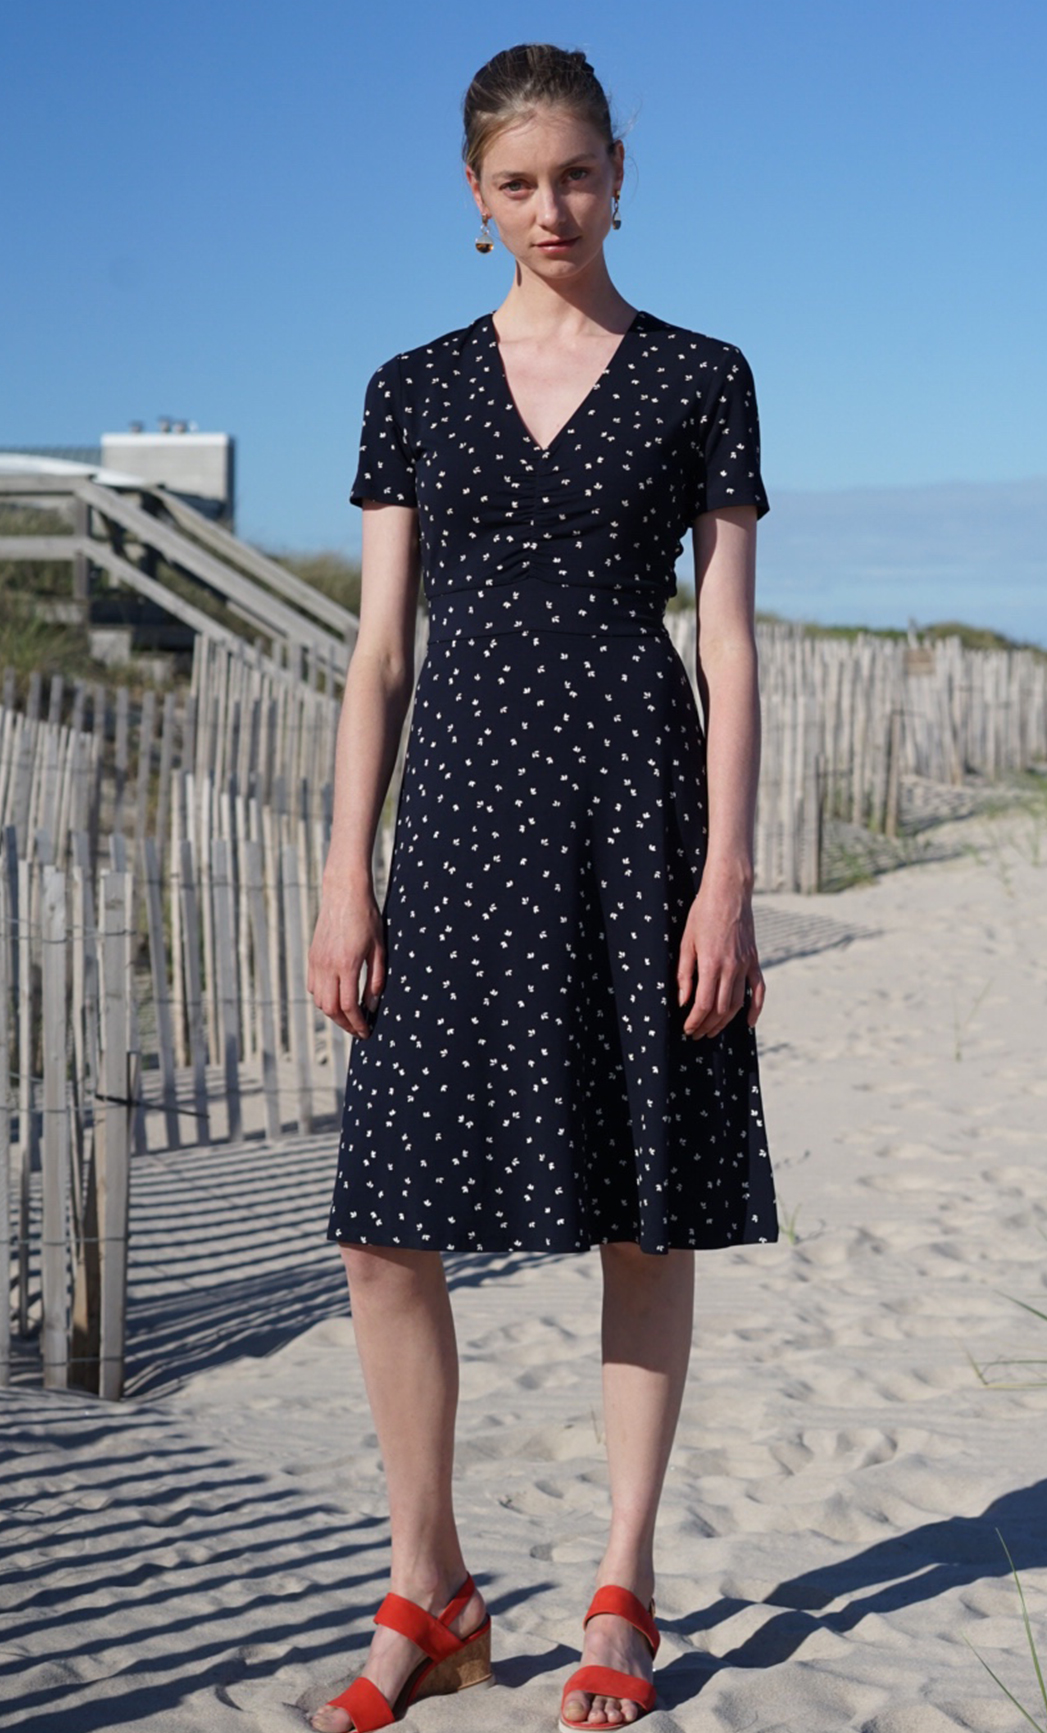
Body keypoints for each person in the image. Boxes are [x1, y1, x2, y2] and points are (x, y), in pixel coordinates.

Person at [306, 41, 777, 1733]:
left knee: (640, 1211)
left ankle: (622, 1579)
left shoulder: (703, 372)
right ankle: (425, 1581)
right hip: (456, 831)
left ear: (621, 171)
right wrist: (342, 877)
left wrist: (727, 880)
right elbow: (376, 660)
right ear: (474, 197)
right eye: (518, 183)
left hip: (641, 818)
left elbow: (724, 641)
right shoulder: (411, 383)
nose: (550, 208)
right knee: (382, 1227)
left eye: (575, 175)